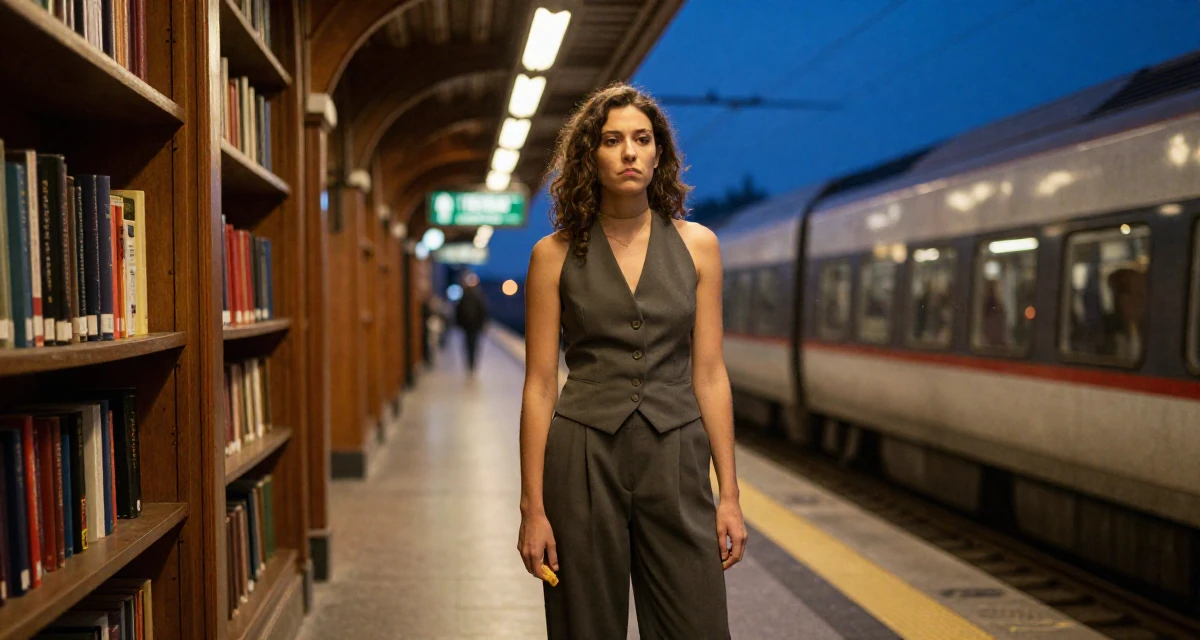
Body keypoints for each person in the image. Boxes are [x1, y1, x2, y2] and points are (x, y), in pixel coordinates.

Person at [517, 83, 746, 639]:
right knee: (584, 626)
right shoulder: (552, 255)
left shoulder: (699, 246)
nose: (629, 153)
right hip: (583, 458)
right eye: (613, 140)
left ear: (659, 153)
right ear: (588, 156)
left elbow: (710, 373)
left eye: (642, 140)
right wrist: (532, 507)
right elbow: (540, 385)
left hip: (677, 456)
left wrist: (730, 496)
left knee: (697, 624)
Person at [454, 271, 488, 372]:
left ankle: (470, 363)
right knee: (473, 345)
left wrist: (459, 323)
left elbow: (458, 310)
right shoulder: (479, 295)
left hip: (467, 326)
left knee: (468, 344)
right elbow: (483, 310)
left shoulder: (464, 296)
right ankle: (472, 364)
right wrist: (482, 324)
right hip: (475, 326)